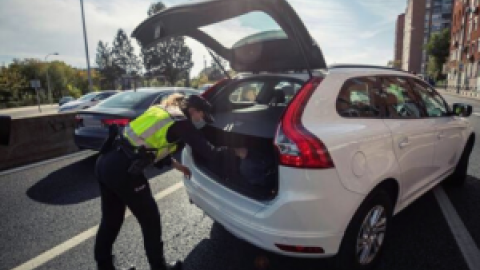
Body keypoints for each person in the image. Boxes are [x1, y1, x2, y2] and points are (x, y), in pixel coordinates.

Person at [94, 94, 243, 270]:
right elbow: (208, 151)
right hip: (123, 171)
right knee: (150, 219)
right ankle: (159, 267)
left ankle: (104, 266)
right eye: (202, 116)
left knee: (111, 219)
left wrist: (179, 166)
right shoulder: (181, 122)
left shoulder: (162, 110)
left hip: (106, 161)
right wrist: (237, 152)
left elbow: (151, 145)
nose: (201, 120)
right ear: (194, 110)